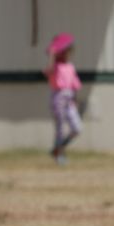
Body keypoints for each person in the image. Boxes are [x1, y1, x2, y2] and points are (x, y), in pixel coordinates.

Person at [43, 32, 82, 165]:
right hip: (58, 97)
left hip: (69, 99)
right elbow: (49, 71)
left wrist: (76, 99)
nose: (67, 54)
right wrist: (52, 55)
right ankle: (59, 155)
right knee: (60, 128)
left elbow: (75, 85)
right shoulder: (55, 67)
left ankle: (58, 148)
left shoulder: (70, 67)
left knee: (77, 128)